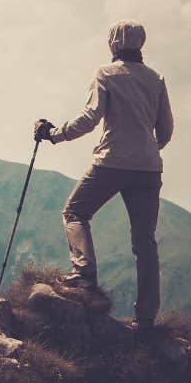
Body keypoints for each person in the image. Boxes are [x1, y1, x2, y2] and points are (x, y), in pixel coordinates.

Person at [34, 20, 173, 331]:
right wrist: (146, 150)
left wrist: (53, 134)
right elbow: (165, 130)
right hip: (149, 168)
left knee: (75, 212)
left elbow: (89, 118)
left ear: (114, 44)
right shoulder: (156, 79)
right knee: (145, 243)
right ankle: (146, 318)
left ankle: (84, 274)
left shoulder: (106, 74)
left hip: (111, 162)